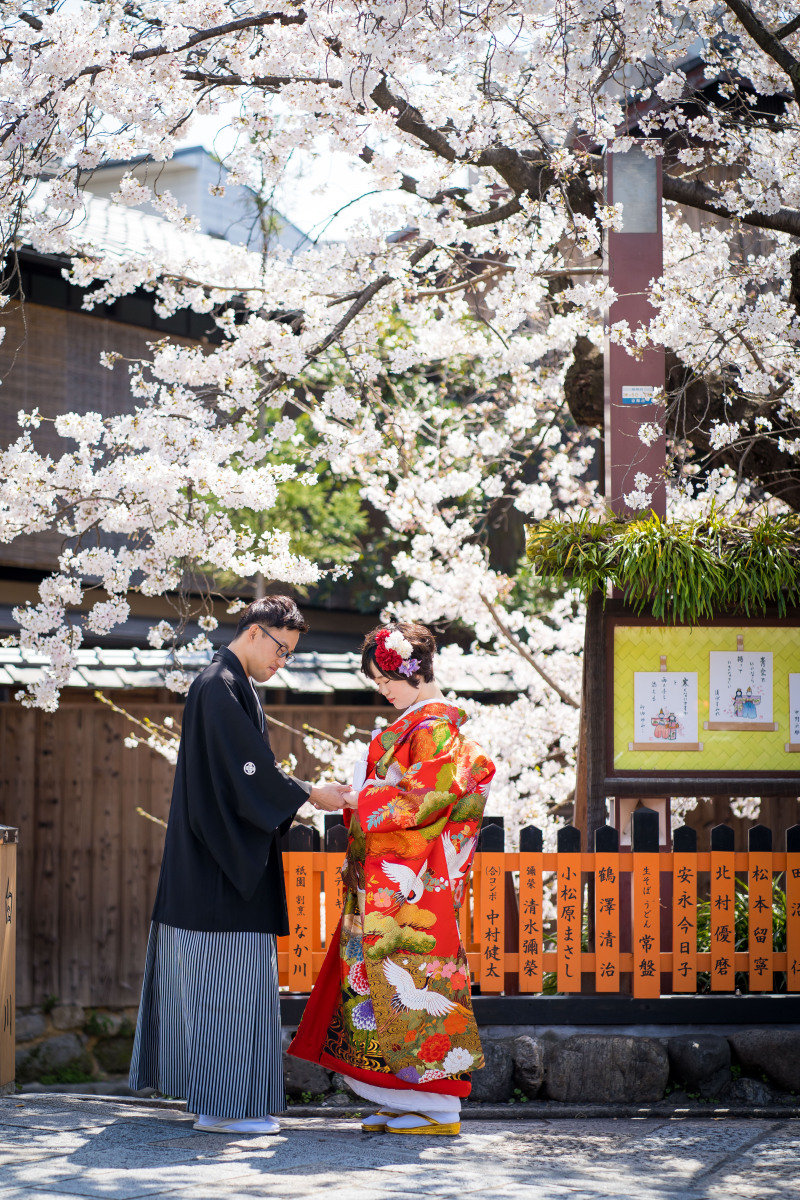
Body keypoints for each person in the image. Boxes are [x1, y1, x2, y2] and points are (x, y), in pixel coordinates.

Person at [129, 595, 349, 1135]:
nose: (283, 661)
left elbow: (246, 772)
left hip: (213, 863)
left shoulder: (226, 683)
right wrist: (309, 793)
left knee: (217, 988)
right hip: (219, 871)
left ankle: (218, 1103)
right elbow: (248, 775)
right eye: (282, 649)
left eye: (291, 654)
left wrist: (299, 793)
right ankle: (226, 1109)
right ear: (254, 632)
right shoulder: (218, 685)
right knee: (226, 986)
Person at [289, 621, 495, 1136]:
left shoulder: (432, 726)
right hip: (390, 877)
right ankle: (400, 1098)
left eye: (386, 679)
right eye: (377, 681)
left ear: (414, 670)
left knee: (418, 983)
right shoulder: (416, 724)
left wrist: (367, 798)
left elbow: (433, 793)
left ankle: (438, 1106)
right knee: (383, 985)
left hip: (411, 885)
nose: (382, 689)